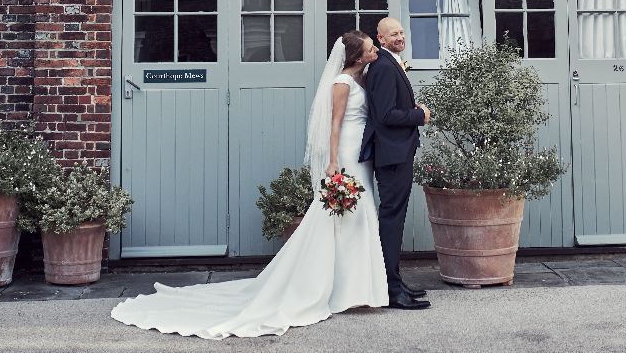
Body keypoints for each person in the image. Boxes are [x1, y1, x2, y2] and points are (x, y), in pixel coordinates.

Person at [110, 30, 388, 338]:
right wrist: (333, 160)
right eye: (370, 49)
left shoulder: (362, 77)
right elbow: (334, 124)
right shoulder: (342, 83)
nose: (375, 52)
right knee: (348, 214)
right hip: (347, 150)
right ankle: (342, 289)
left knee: (359, 215)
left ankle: (356, 287)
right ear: (357, 57)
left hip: (362, 153)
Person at [360, 17, 432, 310]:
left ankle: (395, 281)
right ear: (380, 38)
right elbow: (386, 115)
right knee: (392, 220)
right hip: (392, 155)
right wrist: (420, 116)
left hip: (398, 152)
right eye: (393, 34)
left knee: (395, 219)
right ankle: (390, 290)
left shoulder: (390, 63)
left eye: (401, 32)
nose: (400, 37)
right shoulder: (383, 67)